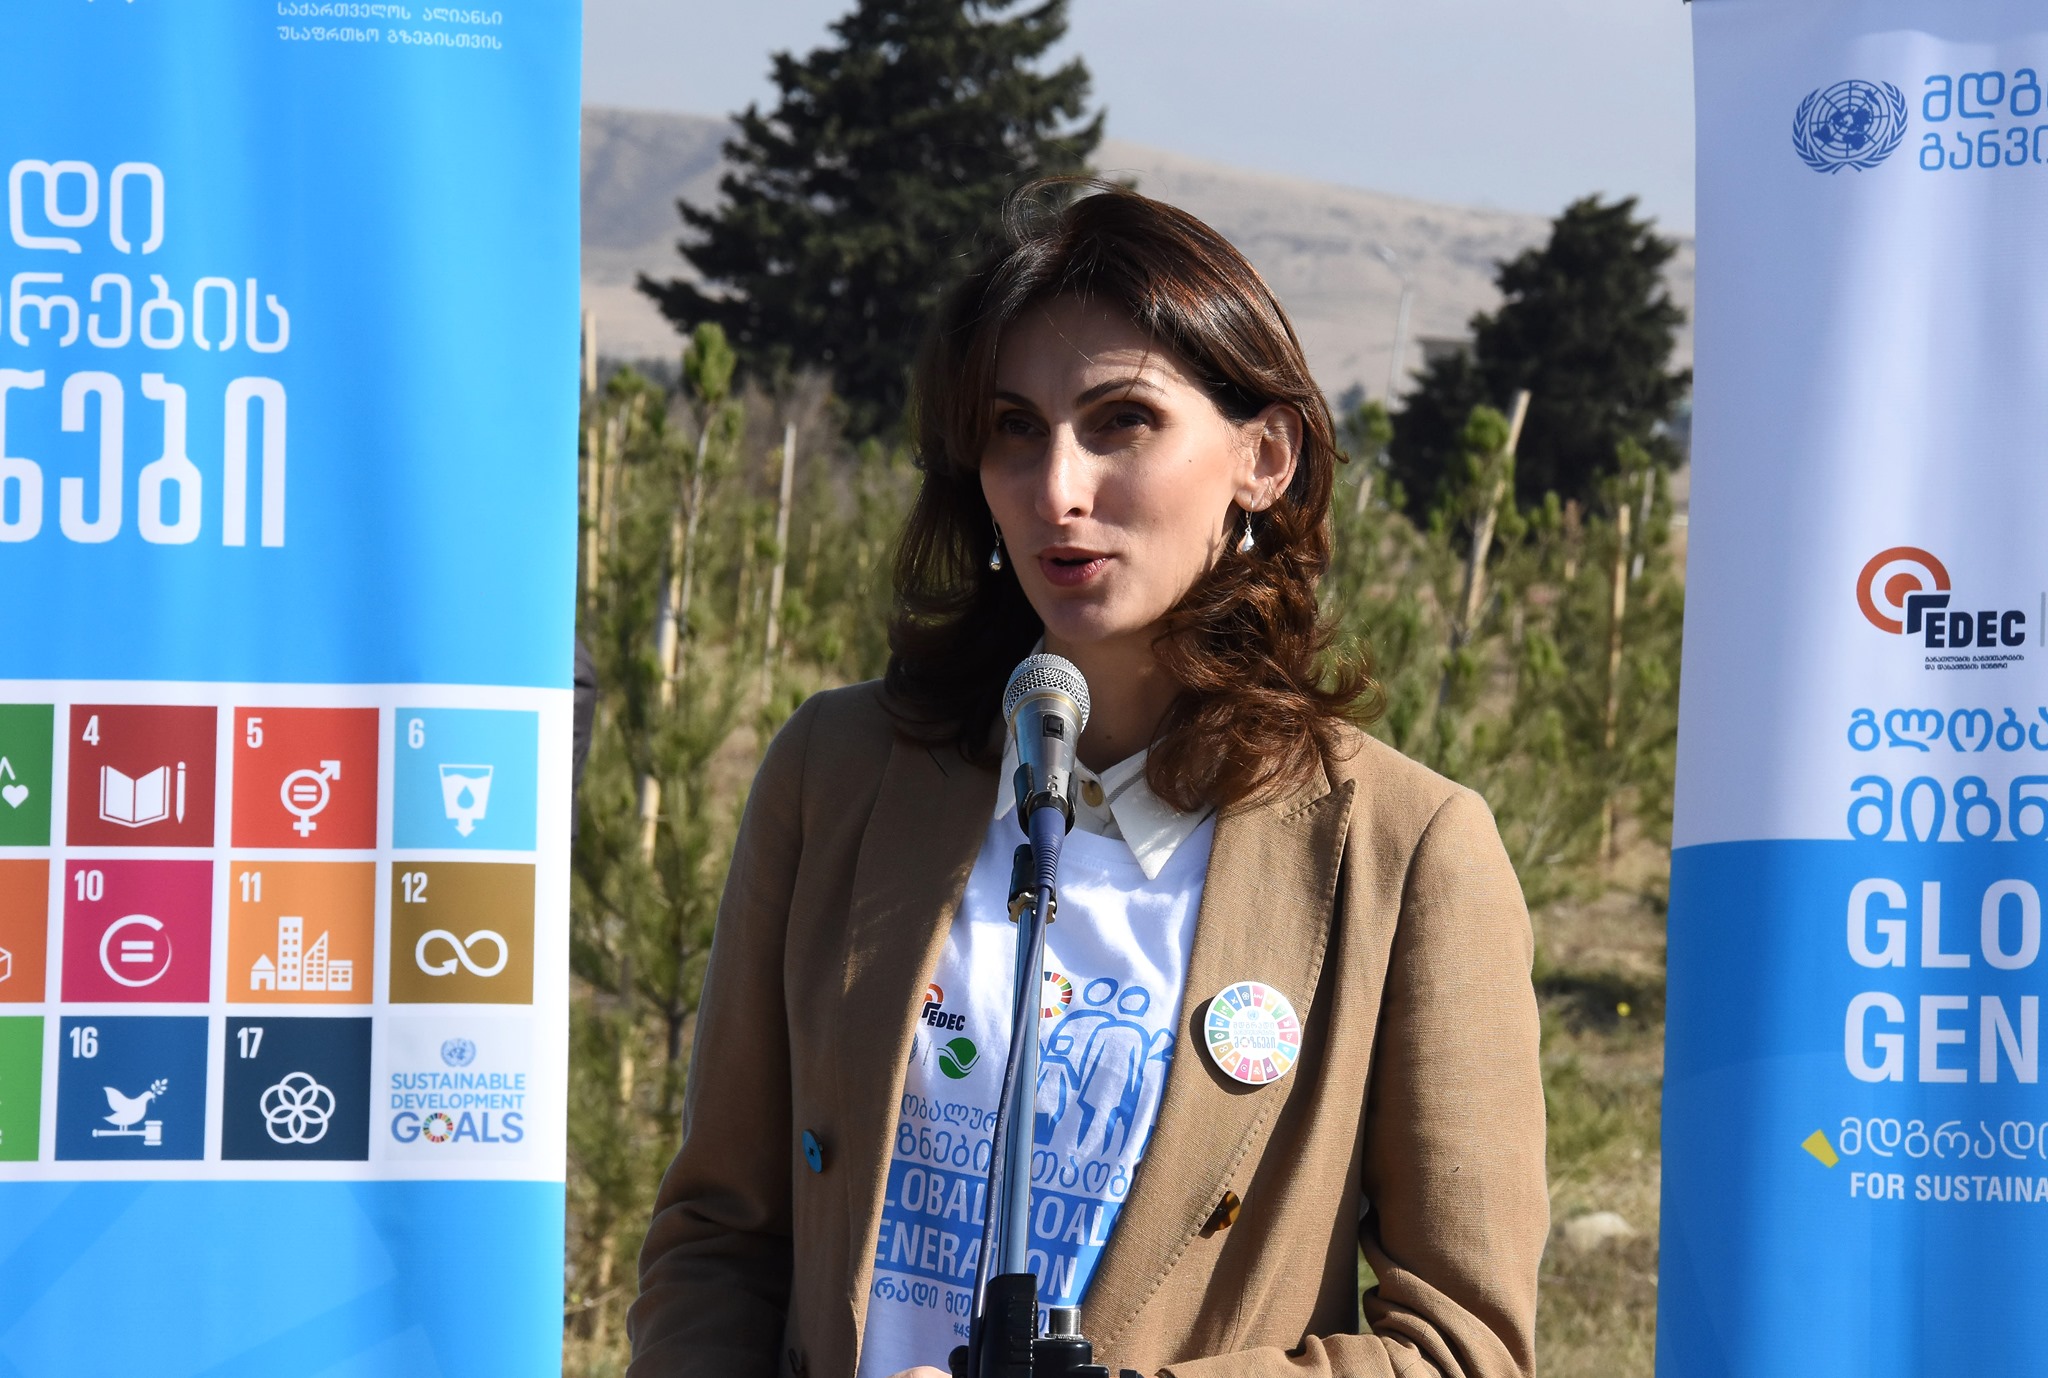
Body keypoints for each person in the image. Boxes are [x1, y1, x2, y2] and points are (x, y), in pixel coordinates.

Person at [627, 183, 1546, 1378]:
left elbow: (1461, 1348)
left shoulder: (1403, 851)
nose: (1056, 487)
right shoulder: (837, 769)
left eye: (1121, 421)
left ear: (1263, 456)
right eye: (1014, 426)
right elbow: (719, 1238)